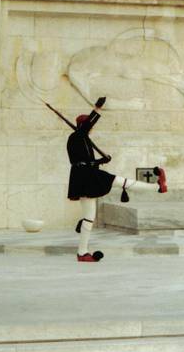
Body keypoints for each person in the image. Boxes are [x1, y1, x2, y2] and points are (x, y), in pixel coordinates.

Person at [67, 97, 167, 262]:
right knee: (122, 182)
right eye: (88, 127)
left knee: (88, 217)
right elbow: (82, 157)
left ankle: (82, 253)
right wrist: (97, 108)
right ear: (83, 126)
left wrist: (101, 161)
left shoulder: (81, 138)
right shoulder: (77, 136)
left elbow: (85, 159)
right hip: (86, 175)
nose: (91, 129)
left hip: (84, 176)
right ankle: (157, 187)